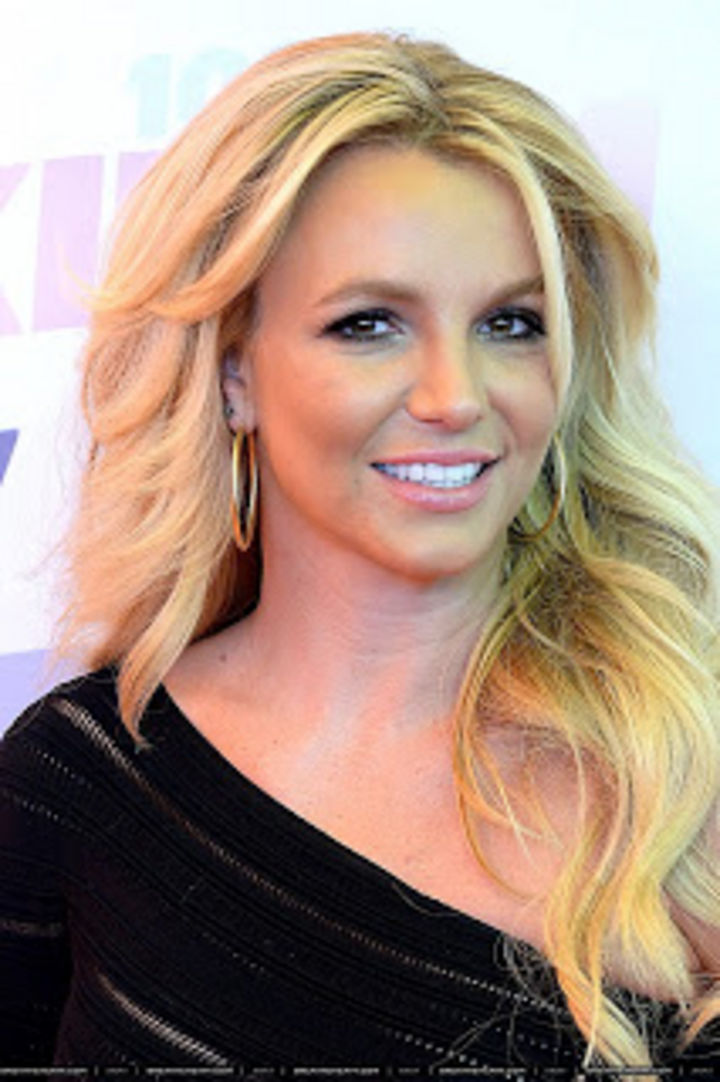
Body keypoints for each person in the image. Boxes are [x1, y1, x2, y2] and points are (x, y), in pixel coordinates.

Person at [1, 28, 718, 1076]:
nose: (456, 396)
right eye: (370, 324)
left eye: (511, 323)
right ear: (234, 372)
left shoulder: (682, 780)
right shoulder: (84, 780)